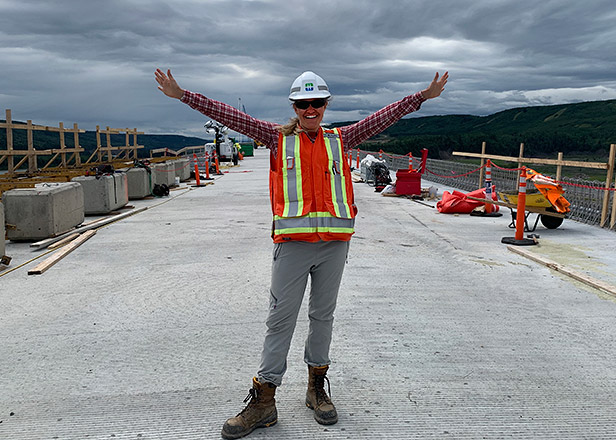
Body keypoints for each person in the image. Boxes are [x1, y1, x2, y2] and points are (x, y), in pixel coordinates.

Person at [155, 68, 448, 439]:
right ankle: (264, 400)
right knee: (280, 320)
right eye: (303, 104)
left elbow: (383, 116)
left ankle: (316, 388)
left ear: (325, 106)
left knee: (322, 317)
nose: (311, 109)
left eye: (317, 103)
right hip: (292, 246)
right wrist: (183, 95)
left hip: (334, 245)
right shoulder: (277, 139)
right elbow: (230, 115)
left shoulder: (341, 138)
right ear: (294, 107)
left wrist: (421, 97)